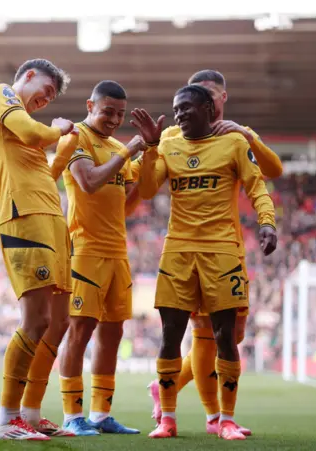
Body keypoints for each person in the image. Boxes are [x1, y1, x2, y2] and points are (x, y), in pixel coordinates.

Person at [133, 84, 277, 440]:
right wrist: (151, 147)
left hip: (222, 251)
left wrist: (267, 222)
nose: (179, 114)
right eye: (176, 109)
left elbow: (257, 187)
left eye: (187, 108)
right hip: (178, 251)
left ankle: (225, 419)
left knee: (225, 336)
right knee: (170, 335)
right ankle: (167, 418)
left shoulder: (234, 143)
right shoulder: (167, 143)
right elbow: (149, 188)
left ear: (210, 110)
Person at [0, 58, 76, 441]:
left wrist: (65, 148)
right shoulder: (1, 95)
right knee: (35, 320)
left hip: (52, 217)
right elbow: (33, 134)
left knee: (58, 323)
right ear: (29, 75)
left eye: (52, 98)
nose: (46, 99)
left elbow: (44, 173)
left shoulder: (31, 131)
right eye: (46, 90)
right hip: (24, 216)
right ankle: (7, 419)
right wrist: (55, 131)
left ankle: (32, 414)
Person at [49, 80, 143, 436]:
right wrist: (128, 153)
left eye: (120, 114)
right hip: (85, 250)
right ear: (90, 105)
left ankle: (101, 414)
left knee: (113, 333)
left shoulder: (121, 146)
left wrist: (143, 159)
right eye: (108, 112)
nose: (115, 120)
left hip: (117, 252)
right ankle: (72, 415)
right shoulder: (76, 138)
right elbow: (88, 183)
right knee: (80, 331)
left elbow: (128, 205)